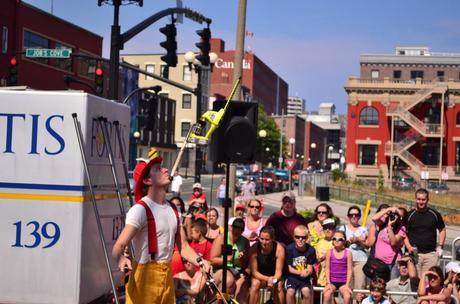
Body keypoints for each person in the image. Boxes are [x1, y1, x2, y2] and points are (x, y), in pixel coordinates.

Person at [112, 148, 209, 304]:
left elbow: (183, 246)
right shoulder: (140, 210)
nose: (165, 169)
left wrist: (200, 261)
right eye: (157, 169)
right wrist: (121, 258)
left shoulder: (173, 209)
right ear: (147, 181)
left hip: (166, 276)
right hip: (144, 279)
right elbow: (119, 245)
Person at [406, 188, 446, 275]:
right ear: (415, 199)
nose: (421, 202)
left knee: (428, 282)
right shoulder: (409, 215)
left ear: (427, 200)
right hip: (414, 254)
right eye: (419, 199)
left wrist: (440, 246)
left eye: (423, 199)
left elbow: (442, 229)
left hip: (431, 254)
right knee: (414, 280)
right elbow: (403, 233)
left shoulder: (434, 214)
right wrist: (409, 247)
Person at [210, 217, 250, 302]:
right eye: (235, 227)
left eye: (240, 229)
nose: (237, 231)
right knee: (228, 281)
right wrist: (227, 259)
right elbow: (212, 260)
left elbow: (245, 265)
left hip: (238, 271)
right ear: (231, 227)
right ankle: (218, 301)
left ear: (243, 231)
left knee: (241, 289)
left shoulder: (245, 242)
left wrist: (242, 259)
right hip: (222, 268)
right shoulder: (221, 238)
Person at [248, 225, 286, 304]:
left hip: (274, 276)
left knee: (279, 285)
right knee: (255, 284)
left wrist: (272, 280)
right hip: (259, 276)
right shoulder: (254, 249)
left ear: (272, 239)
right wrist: (267, 279)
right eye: (261, 239)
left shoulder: (279, 249)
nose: (264, 242)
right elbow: (254, 272)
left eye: (267, 240)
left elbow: (279, 272)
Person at [339, 205, 368, 298]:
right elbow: (337, 245)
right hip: (346, 261)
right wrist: (348, 241)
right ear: (348, 216)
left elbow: (367, 247)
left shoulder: (364, 229)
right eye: (351, 215)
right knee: (347, 288)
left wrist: (359, 240)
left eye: (356, 214)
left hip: (361, 261)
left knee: (360, 288)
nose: (354, 216)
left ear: (359, 216)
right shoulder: (342, 229)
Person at [372, 206, 408, 280]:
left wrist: (390, 227)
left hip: (392, 263)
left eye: (398, 216)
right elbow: (374, 218)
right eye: (395, 214)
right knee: (378, 287)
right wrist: (388, 209)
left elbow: (393, 242)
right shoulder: (383, 222)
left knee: (391, 287)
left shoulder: (402, 229)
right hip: (379, 262)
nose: (396, 217)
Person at [285, 225, 317, 304]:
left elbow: (310, 268)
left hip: (305, 278)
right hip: (292, 277)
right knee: (290, 292)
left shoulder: (311, 250)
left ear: (307, 238)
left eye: (303, 237)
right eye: (297, 237)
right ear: (293, 237)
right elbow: (288, 268)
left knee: (306, 292)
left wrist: (308, 272)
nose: (300, 239)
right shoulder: (289, 249)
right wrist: (301, 272)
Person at [323, 230, 353, 304]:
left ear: (344, 241)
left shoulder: (348, 253)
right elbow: (327, 269)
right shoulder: (329, 252)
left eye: (340, 239)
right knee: (327, 295)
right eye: (334, 238)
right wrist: (328, 283)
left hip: (343, 282)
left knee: (347, 296)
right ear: (332, 241)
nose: (337, 241)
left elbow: (349, 270)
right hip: (332, 282)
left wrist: (347, 284)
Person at [315, 218, 335, 287]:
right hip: (320, 277)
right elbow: (317, 260)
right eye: (325, 228)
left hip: (333, 278)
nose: (327, 230)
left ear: (334, 229)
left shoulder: (337, 242)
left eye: (330, 228)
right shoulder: (319, 242)